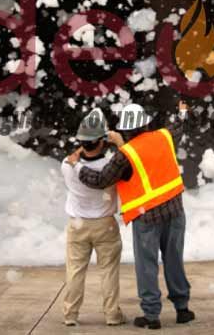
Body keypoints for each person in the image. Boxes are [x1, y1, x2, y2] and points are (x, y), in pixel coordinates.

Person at [67, 103, 195, 330]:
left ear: (124, 130)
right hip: (175, 212)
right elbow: (179, 125)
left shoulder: (123, 155)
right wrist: (182, 110)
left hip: (146, 218)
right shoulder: (165, 136)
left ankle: (152, 315)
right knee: (174, 259)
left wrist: (77, 167)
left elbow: (100, 181)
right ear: (146, 123)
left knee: (146, 266)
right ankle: (182, 309)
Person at [60, 108, 125, 327]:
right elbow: (127, 161)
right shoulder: (110, 166)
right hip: (105, 225)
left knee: (75, 272)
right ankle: (112, 315)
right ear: (101, 141)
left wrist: (81, 148)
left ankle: (70, 314)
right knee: (108, 272)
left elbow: (80, 152)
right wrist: (117, 142)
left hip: (77, 225)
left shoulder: (67, 165)